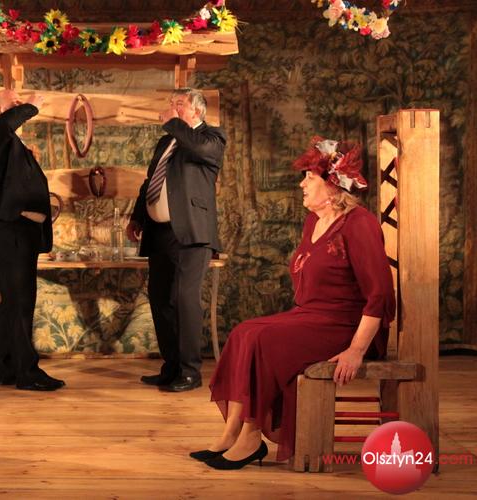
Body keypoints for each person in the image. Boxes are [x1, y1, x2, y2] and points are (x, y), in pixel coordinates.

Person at [191, 137, 395, 470]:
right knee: (243, 332)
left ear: (332, 187)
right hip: (311, 317)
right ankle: (232, 432)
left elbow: (380, 294)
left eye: (309, 178)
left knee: (264, 339)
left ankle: (251, 436)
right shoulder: (314, 221)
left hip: (346, 327)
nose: (301, 184)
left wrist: (356, 350)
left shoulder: (359, 224)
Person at [127, 88, 226, 392]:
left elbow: (199, 149)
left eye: (179, 104)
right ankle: (171, 367)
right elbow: (151, 182)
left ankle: (190, 372)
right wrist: (137, 217)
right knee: (160, 300)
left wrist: (173, 122)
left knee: (184, 299)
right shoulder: (166, 142)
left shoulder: (211, 137)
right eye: (171, 104)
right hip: (160, 233)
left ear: (196, 110)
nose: (172, 108)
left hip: (192, 233)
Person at [0, 88, 64, 391]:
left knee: (13, 303)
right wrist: (29, 106)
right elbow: (3, 126)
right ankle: (28, 372)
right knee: (20, 302)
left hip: (18, 233)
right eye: (13, 103)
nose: (19, 106)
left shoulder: (8, 143)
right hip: (9, 231)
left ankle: (8, 368)